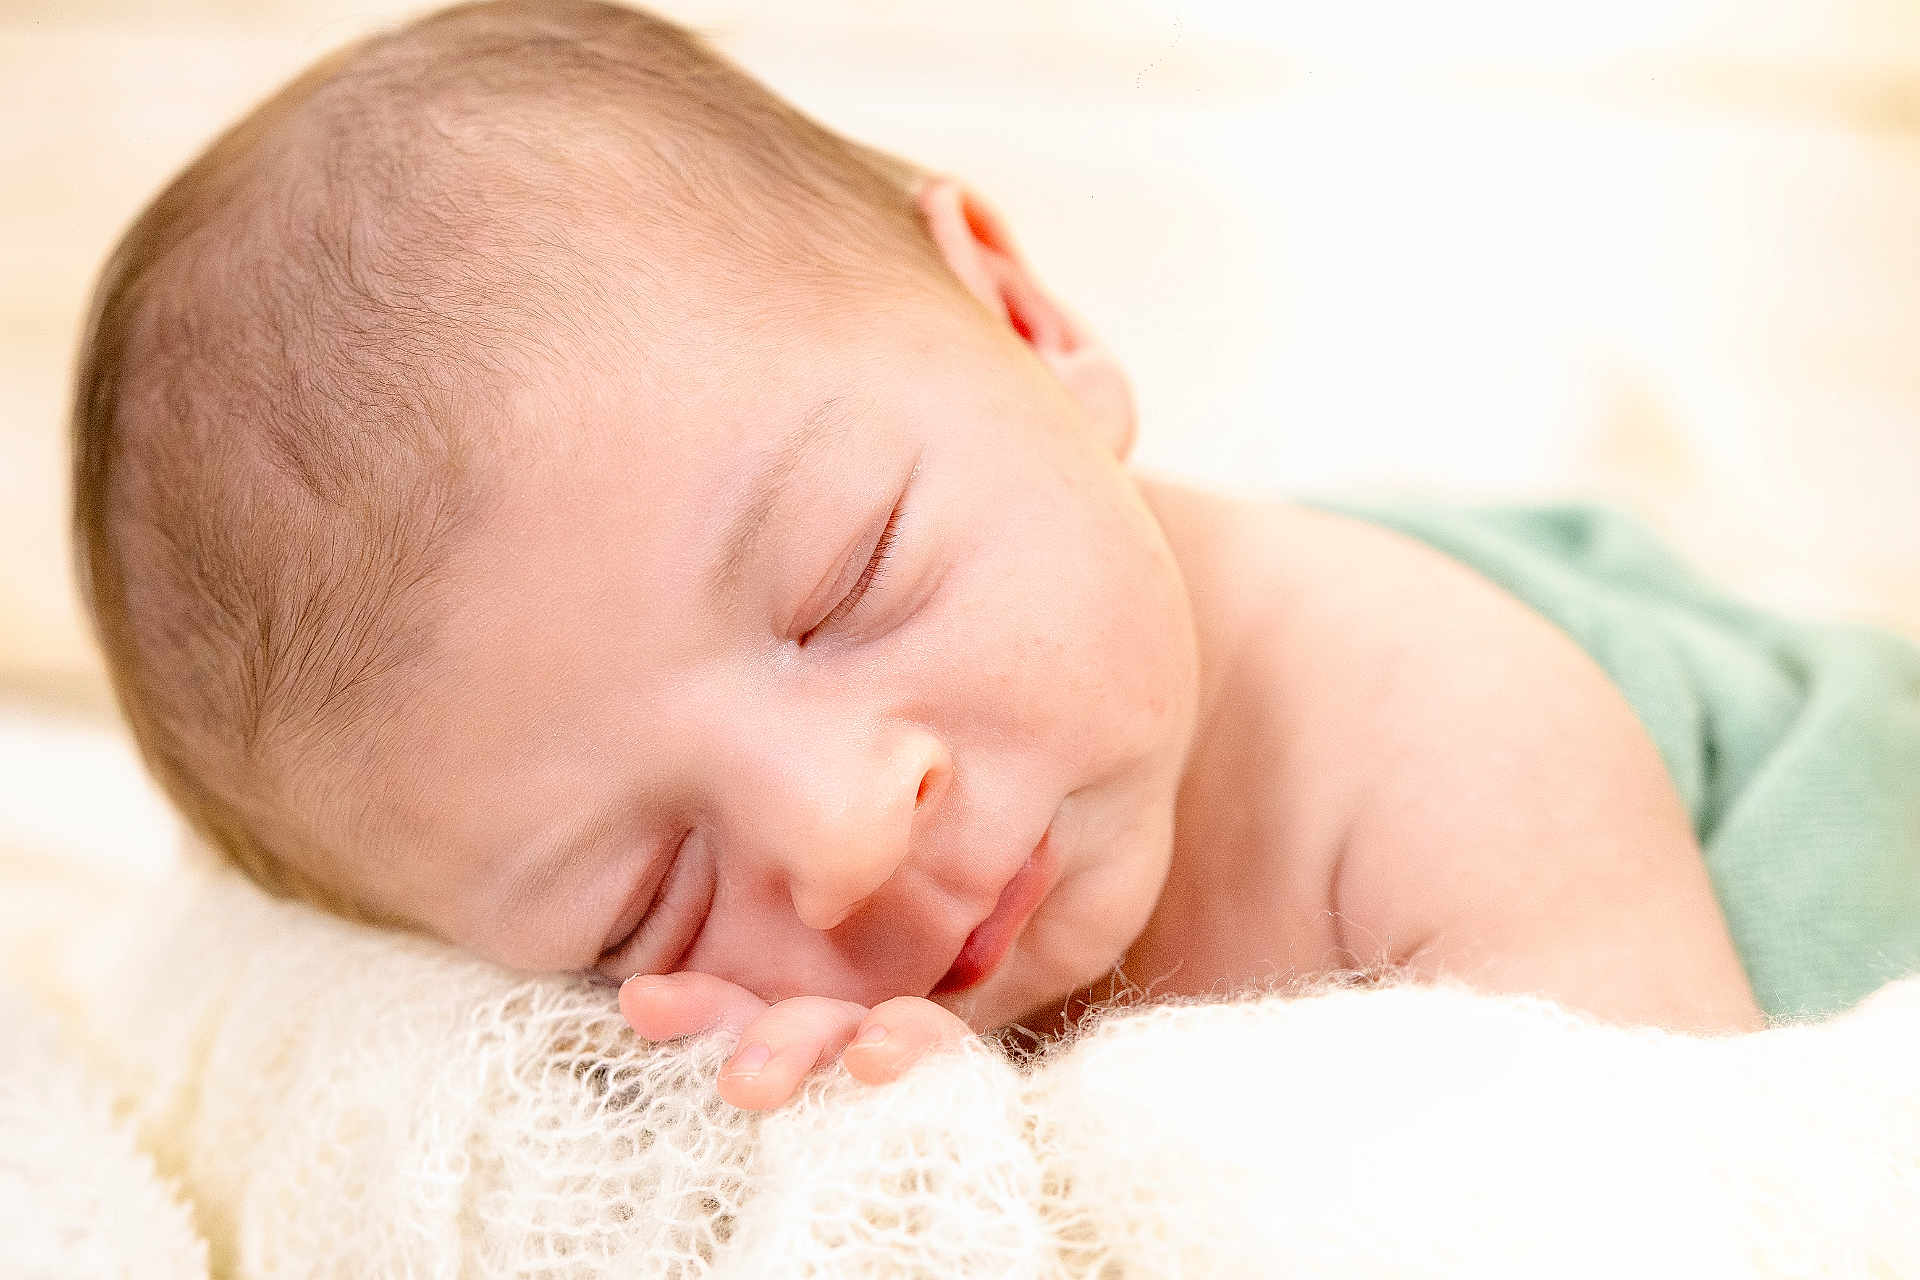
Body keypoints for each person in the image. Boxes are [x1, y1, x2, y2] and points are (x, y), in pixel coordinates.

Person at [71, 0, 1920, 1112]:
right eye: (643, 905)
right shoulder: (767, 1040)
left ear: (1027, 321)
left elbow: (1663, 1189)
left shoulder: (1446, 741)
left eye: (850, 580)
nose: (841, 843)